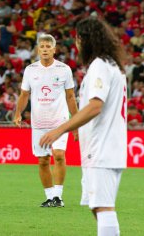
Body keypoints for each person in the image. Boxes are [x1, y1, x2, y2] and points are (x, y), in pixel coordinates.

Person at [40, 17, 127, 236]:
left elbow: (95, 106)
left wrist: (61, 129)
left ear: (85, 40)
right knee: (98, 207)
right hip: (104, 147)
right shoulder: (111, 65)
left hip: (103, 148)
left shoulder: (100, 66)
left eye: (78, 39)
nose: (76, 44)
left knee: (104, 208)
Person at [14, 33, 78, 208]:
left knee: (58, 155)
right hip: (39, 123)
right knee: (42, 160)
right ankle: (50, 197)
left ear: (54, 50)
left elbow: (70, 97)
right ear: (38, 50)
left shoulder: (64, 70)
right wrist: (18, 113)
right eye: (42, 47)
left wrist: (76, 123)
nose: (45, 50)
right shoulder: (30, 70)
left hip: (60, 121)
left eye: (48, 47)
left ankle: (58, 196)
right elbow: (24, 94)